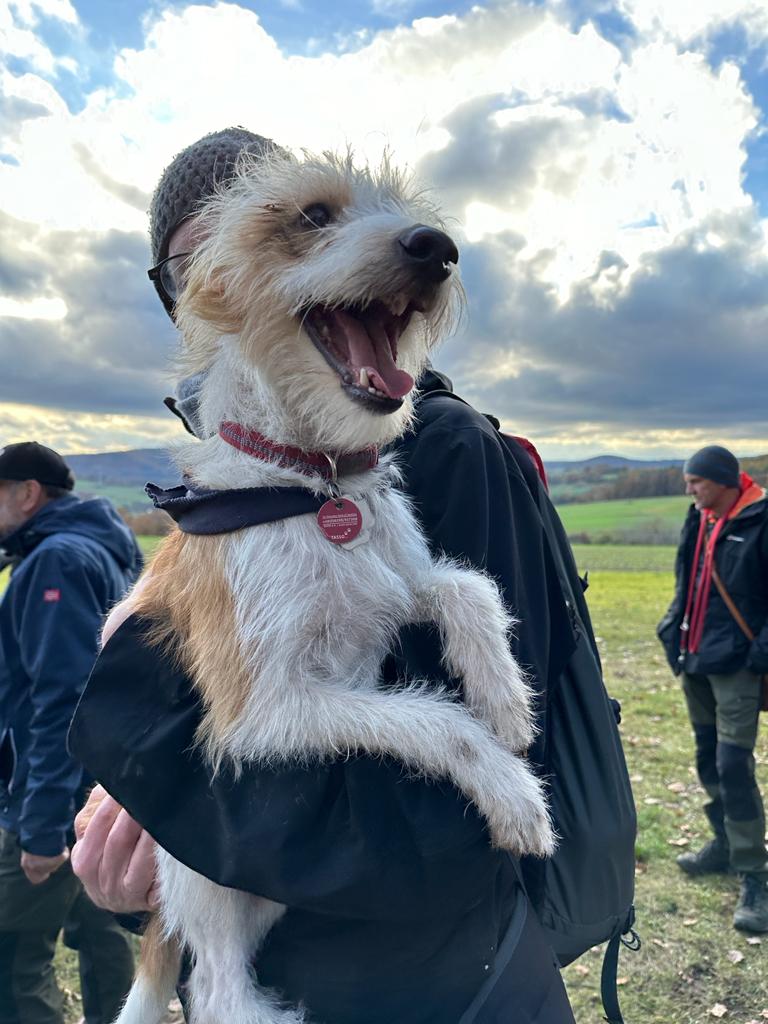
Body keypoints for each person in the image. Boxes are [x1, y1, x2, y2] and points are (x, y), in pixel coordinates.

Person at [68, 128, 609, 1023]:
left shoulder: (441, 449)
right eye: (186, 271)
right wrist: (140, 831)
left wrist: (167, 793)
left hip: (436, 987)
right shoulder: (233, 472)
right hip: (265, 968)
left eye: (313, 226)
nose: (212, 284)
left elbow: (434, 834)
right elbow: (192, 712)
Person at [0, 442, 143, 1024]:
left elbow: (60, 698)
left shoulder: (56, 560)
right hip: (104, 783)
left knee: (15, 963)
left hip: (54, 795)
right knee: (102, 930)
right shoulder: (102, 546)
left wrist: (39, 826)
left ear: (27, 493)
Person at [658, 444, 768, 933]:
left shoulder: (760, 520)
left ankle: (754, 873)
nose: (689, 489)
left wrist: (759, 655)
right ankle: (724, 844)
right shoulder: (698, 517)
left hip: (737, 665)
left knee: (732, 764)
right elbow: (686, 580)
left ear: (725, 481)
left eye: (696, 481)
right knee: (707, 757)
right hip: (696, 659)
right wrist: (671, 629)